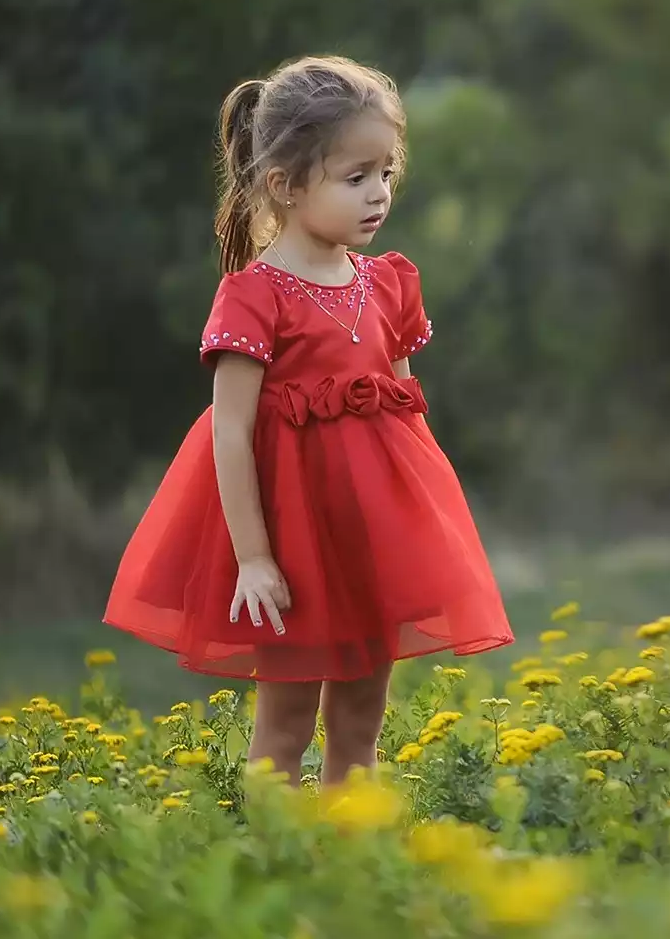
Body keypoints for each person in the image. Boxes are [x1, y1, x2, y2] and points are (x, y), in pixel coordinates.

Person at [103, 54, 514, 787]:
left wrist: (421, 533)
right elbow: (229, 432)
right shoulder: (255, 296)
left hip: (368, 540)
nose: (379, 193)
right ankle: (282, 863)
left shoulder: (388, 283)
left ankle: (348, 857)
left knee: (362, 717)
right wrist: (256, 557)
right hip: (293, 545)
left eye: (386, 173)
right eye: (355, 178)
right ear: (285, 186)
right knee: (285, 725)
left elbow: (405, 413)